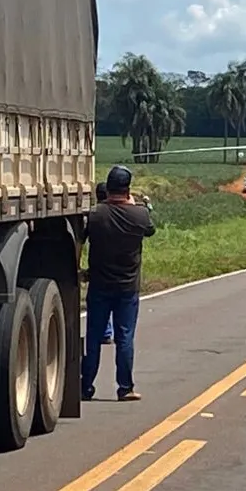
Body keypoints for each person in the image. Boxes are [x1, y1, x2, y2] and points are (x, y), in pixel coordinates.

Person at [81, 165, 155, 402]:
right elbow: (150, 230)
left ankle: (85, 387)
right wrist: (134, 205)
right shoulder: (140, 215)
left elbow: (81, 239)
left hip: (99, 286)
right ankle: (125, 388)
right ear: (128, 189)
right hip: (127, 288)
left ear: (108, 187)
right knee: (124, 338)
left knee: (93, 338)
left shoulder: (95, 215)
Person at [93, 182, 115, 345]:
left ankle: (104, 331)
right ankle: (107, 331)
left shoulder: (95, 216)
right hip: (120, 267)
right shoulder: (117, 214)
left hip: (99, 266)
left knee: (102, 302)